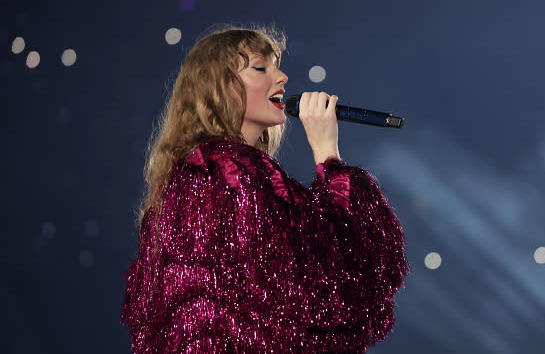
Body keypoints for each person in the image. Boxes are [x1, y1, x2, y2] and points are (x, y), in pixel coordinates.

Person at [120, 25, 409, 353]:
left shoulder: (191, 177)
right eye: (261, 67)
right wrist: (328, 154)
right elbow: (325, 277)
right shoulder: (233, 172)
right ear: (222, 87)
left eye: (276, 65)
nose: (282, 76)